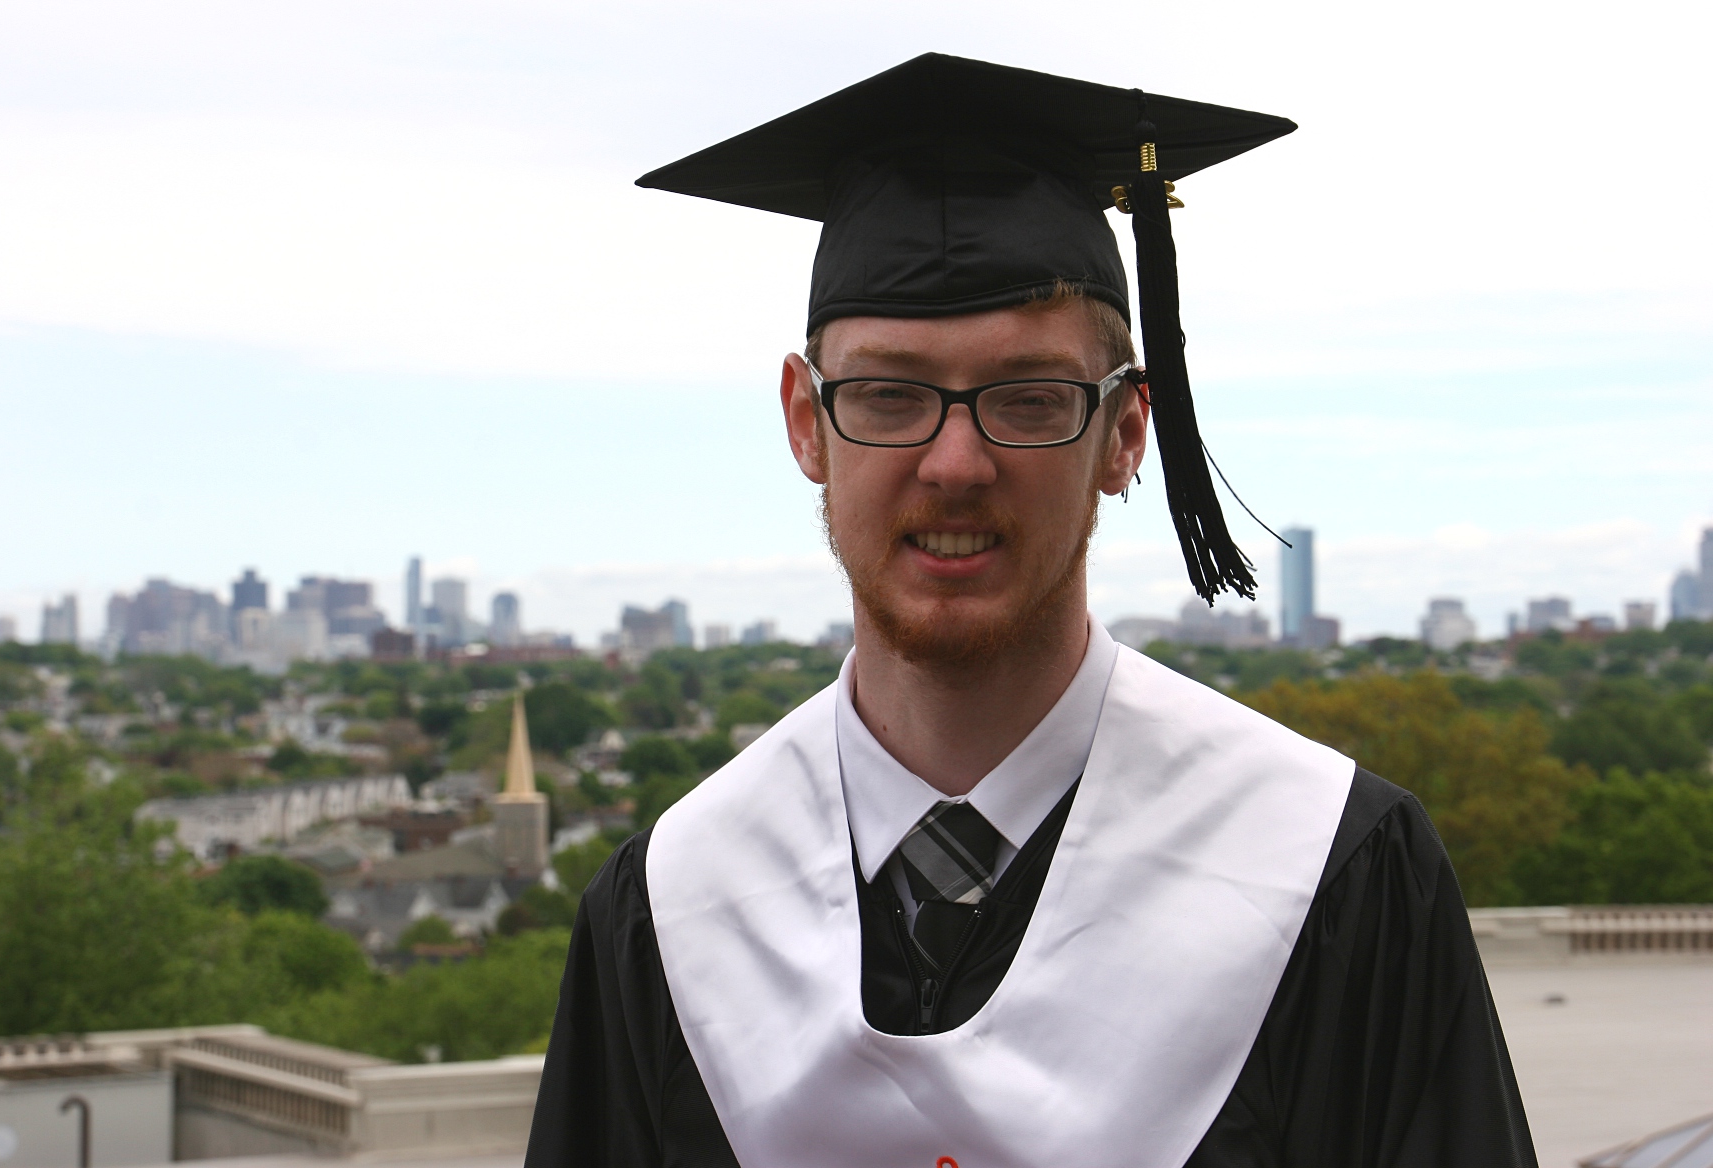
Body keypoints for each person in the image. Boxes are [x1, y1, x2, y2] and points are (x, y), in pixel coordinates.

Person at [526, 54, 1535, 1168]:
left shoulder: (1330, 875)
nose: (956, 463)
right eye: (888, 394)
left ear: (1126, 433)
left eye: (1029, 399)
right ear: (806, 422)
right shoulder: (672, 913)